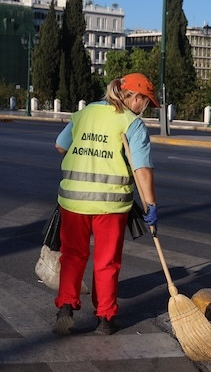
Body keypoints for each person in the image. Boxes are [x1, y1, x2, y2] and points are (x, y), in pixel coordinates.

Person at [52, 73, 158, 336]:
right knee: (106, 261)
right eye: (144, 102)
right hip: (110, 205)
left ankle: (65, 307)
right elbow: (141, 169)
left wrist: (87, 152)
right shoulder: (131, 123)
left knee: (73, 256)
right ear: (134, 97)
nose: (144, 109)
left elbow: (60, 146)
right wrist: (151, 205)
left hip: (73, 200)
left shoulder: (85, 112)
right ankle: (106, 318)